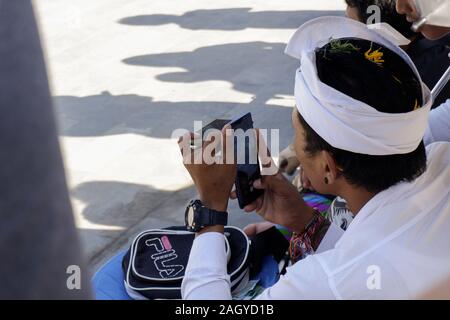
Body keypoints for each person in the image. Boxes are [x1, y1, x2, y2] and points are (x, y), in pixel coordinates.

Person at [178, 16, 450, 299]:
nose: (294, 146)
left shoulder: (324, 283)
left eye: (296, 133)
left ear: (328, 167)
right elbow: (381, 252)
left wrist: (210, 210)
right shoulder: (443, 158)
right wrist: (308, 224)